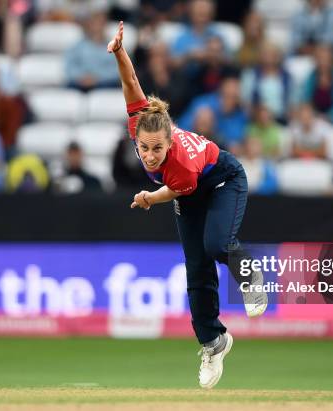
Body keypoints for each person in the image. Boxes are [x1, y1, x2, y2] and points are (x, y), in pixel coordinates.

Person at [107, 21, 267, 389]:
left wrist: (149, 197)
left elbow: (174, 191)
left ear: (169, 141)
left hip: (223, 180)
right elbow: (131, 84)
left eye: (156, 149)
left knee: (215, 246)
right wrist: (119, 52)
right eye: (144, 148)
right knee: (196, 269)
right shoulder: (142, 123)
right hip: (189, 193)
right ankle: (214, 342)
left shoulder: (178, 162)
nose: (149, 156)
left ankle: (250, 273)